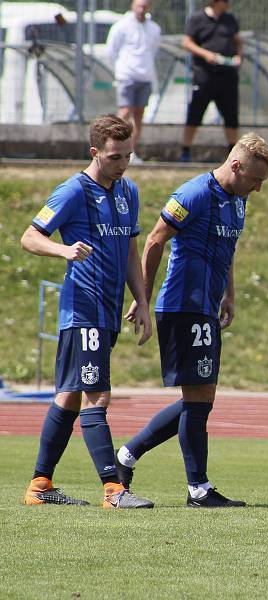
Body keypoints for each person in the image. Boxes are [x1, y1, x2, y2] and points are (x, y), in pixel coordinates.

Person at [114, 133, 268, 507]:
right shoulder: (194, 194)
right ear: (235, 166)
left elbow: (227, 248)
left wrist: (229, 293)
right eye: (256, 179)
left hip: (205, 307)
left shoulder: (237, 201)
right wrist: (142, 298)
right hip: (182, 307)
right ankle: (198, 489)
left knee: (201, 398)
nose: (258, 188)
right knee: (199, 398)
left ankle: (126, 456)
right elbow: (155, 240)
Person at [21, 114, 154, 509]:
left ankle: (40, 487)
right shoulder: (72, 191)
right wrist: (64, 250)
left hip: (109, 311)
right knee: (98, 396)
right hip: (83, 309)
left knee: (68, 396)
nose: (123, 163)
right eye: (115, 157)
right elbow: (30, 237)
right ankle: (114, 490)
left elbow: (131, 249)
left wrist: (142, 299)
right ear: (94, 152)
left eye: (128, 155)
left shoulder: (128, 191)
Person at [179, 0, 242, 163]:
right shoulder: (197, 19)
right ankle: (185, 150)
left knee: (230, 115)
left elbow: (238, 41)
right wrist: (206, 54)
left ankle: (232, 153)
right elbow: (186, 43)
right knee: (195, 113)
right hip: (205, 74)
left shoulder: (230, 19)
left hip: (227, 75)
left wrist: (238, 57)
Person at [106, 0, 161, 164]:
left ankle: (130, 152)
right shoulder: (121, 26)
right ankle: (112, 147)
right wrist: (119, 71)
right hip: (127, 75)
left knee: (139, 115)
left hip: (145, 76)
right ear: (133, 5)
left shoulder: (154, 28)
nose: (142, 8)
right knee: (124, 112)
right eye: (139, 5)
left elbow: (154, 50)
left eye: (145, 5)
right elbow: (111, 51)